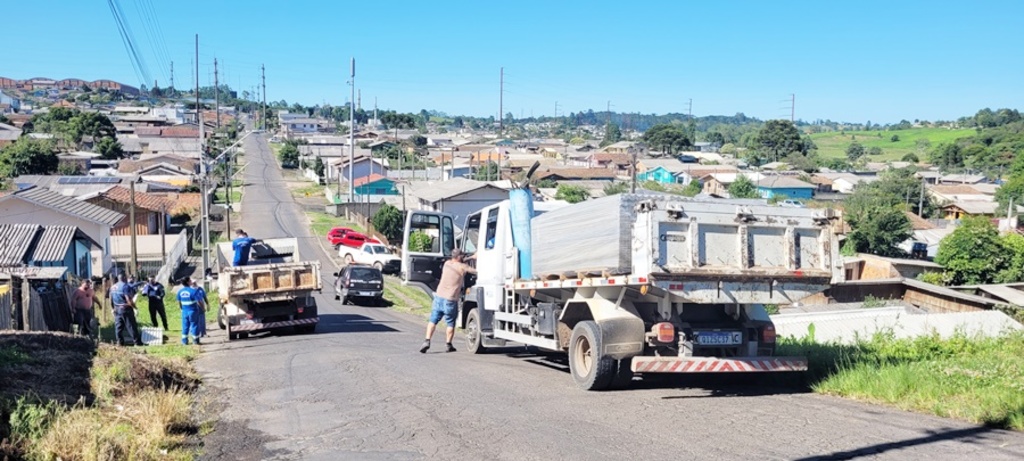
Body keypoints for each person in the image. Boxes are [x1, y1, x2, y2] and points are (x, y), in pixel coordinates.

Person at [420, 248, 476, 353]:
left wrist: (470, 257)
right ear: (459, 257)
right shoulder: (462, 267)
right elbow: (475, 271)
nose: (464, 257)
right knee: (450, 323)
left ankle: (427, 341)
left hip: (438, 296)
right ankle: (448, 344)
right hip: (450, 299)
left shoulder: (447, 264)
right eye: (462, 256)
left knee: (433, 320)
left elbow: (459, 261)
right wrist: (473, 258)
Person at [111, 273, 144, 346]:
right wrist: (134, 307)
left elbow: (111, 298)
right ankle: (137, 342)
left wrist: (113, 308)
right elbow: (128, 299)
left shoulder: (113, 286)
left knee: (118, 327)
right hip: (125, 308)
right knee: (131, 325)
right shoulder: (125, 286)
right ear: (124, 278)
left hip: (117, 308)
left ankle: (119, 342)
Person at [177, 277, 201, 345]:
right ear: (188, 282)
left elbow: (179, 302)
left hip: (184, 311)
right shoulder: (193, 291)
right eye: (190, 280)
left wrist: (181, 309)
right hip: (193, 311)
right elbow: (199, 301)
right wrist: (203, 308)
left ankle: (184, 341)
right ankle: (195, 340)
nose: (191, 281)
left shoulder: (180, 292)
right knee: (194, 325)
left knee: (185, 326)